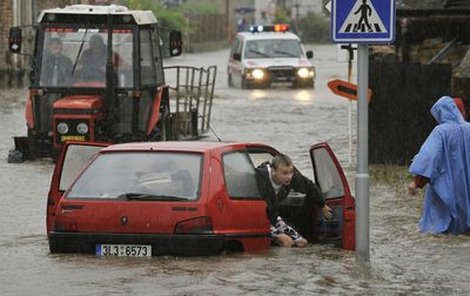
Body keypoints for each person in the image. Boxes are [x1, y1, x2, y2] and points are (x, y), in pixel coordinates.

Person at [408, 96, 470, 234]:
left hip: (446, 184)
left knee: (438, 227)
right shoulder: (468, 128)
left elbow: (429, 157)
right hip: (467, 184)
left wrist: (416, 182)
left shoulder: (441, 132)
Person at [255, 154, 332, 248]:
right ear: (274, 171)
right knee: (286, 241)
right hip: (256, 219)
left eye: (291, 172)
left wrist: (322, 205)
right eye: (285, 173)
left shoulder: (293, 178)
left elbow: (310, 186)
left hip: (273, 217)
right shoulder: (259, 177)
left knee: (302, 242)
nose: (289, 177)